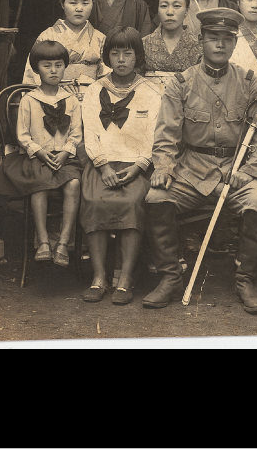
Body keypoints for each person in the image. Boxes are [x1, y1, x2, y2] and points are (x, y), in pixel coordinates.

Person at [144, 7, 257, 312]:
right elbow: (166, 131)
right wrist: (163, 166)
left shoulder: (248, 81)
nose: (219, 44)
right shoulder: (182, 82)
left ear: (234, 44)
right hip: (192, 169)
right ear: (201, 40)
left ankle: (246, 280)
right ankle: (170, 276)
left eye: (226, 39)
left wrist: (251, 171)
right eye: (213, 38)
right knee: (155, 198)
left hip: (236, 169)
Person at [78, 27, 161, 305]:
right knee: (94, 199)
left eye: (128, 53)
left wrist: (139, 166)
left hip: (136, 163)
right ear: (107, 56)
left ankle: (125, 278)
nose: (122, 59)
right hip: (102, 161)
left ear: (138, 56)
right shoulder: (94, 90)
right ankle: (99, 277)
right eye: (115, 53)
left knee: (132, 201)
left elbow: (154, 135)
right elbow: (90, 132)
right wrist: (102, 166)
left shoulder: (150, 91)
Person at [5, 40, 83, 266]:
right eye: (47, 66)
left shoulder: (71, 100)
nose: (53, 70)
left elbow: (76, 133)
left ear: (64, 67)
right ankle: (43, 241)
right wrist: (38, 152)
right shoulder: (29, 100)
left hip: (64, 158)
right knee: (39, 183)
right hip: (38, 157)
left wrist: (66, 152)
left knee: (74, 183)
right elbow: (22, 134)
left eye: (58, 65)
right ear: (37, 68)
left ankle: (63, 243)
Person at [23, 0, 107, 85]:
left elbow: (107, 77)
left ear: (93, 4)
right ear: (62, 3)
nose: (79, 8)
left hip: (90, 98)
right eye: (73, 2)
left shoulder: (100, 38)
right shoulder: (47, 36)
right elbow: (32, 76)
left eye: (85, 3)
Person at [142, 0, 202, 73]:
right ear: (157, 10)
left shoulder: (198, 47)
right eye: (164, 6)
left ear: (186, 11)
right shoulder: (143, 44)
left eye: (177, 6)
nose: (170, 12)